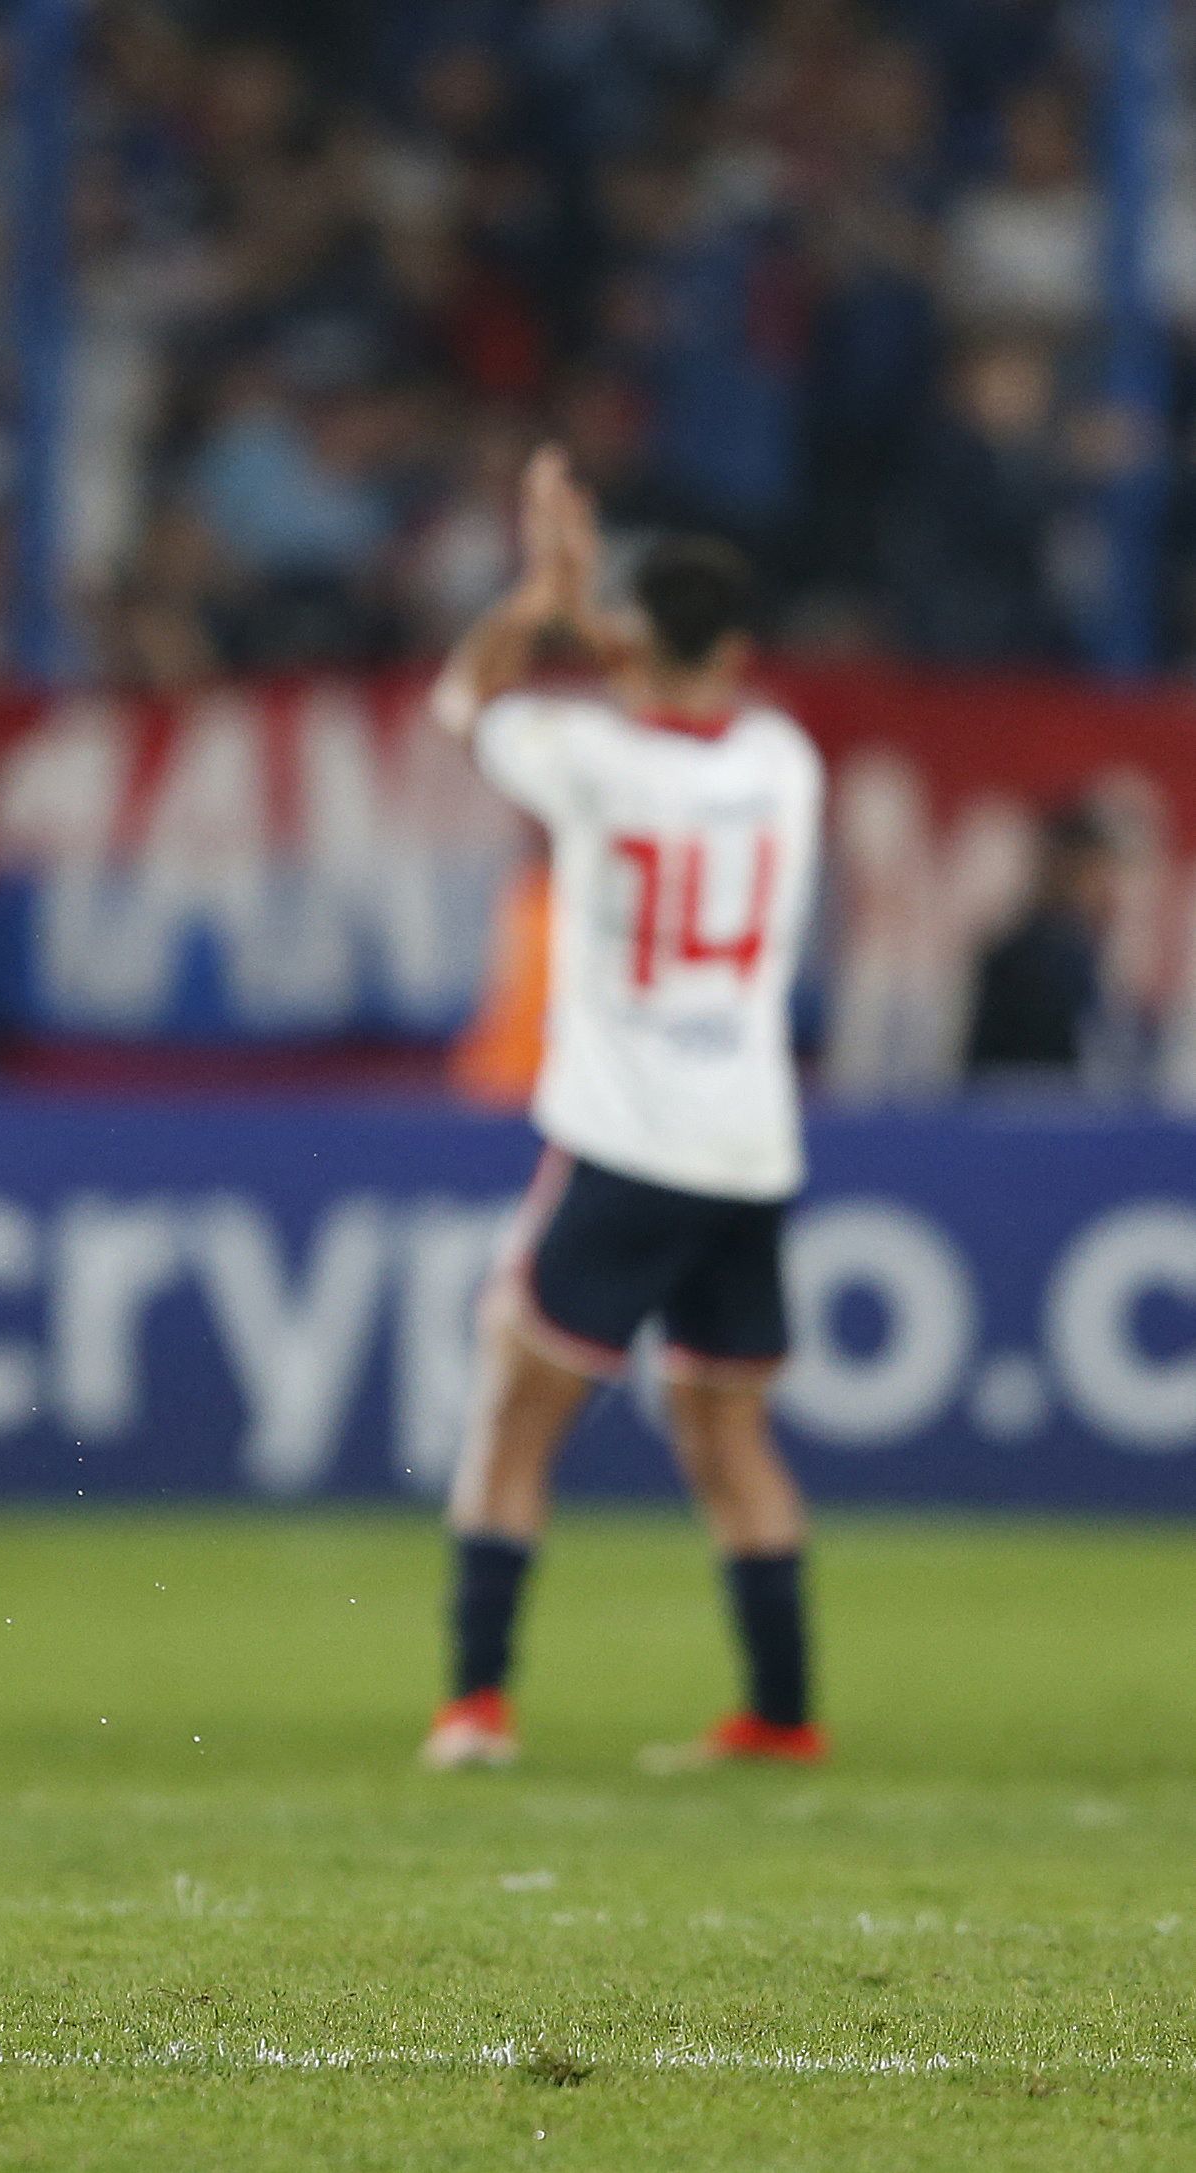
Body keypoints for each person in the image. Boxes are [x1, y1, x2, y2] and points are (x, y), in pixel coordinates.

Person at [418, 450, 827, 1775]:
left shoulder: (587, 754)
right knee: (726, 1436)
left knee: (507, 1415)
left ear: (629, 641)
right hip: (749, 1146)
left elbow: (458, 699)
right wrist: (621, 627)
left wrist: (541, 597)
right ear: (742, 646)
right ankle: (778, 1713)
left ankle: (475, 1704)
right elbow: (686, 682)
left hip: (624, 1137)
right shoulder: (783, 759)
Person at [963, 800, 1118, 1083]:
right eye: (1101, 872)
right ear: (1070, 870)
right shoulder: (1050, 957)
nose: (1110, 888)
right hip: (1032, 1115)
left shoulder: (1047, 947)